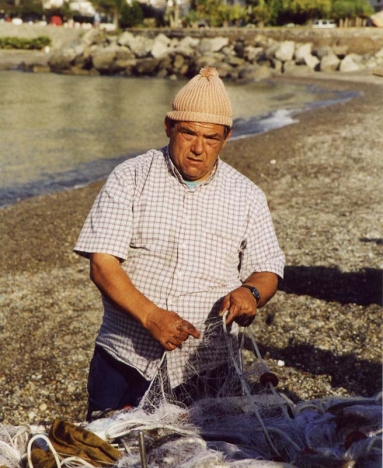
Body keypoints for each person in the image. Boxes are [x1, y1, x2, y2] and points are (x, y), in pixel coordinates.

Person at [74, 67, 285, 420]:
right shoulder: (130, 177)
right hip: (125, 357)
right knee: (111, 453)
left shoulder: (246, 195)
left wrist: (251, 294)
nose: (199, 148)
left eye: (211, 138)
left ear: (226, 137)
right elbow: (102, 264)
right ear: (169, 127)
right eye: (188, 133)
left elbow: (267, 269)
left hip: (205, 365)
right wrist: (151, 316)